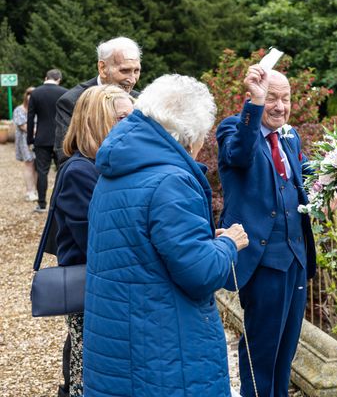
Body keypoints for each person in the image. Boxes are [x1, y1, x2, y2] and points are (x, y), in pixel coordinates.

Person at [83, 74, 248, 397]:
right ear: (189, 136)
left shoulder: (117, 169)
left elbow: (141, 246)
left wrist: (203, 242)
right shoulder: (171, 181)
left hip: (119, 339)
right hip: (165, 352)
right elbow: (201, 274)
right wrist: (229, 243)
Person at [216, 65, 316, 397]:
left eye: (285, 99)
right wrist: (255, 104)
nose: (280, 106)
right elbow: (240, 155)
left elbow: (303, 175)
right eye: (272, 98)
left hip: (296, 257)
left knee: (286, 352)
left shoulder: (290, 135)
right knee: (261, 351)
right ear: (255, 97)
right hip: (263, 260)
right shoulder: (235, 128)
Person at [46, 85, 134, 397]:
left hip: (113, 288)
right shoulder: (80, 171)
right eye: (122, 118)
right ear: (97, 121)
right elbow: (93, 240)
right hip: (93, 292)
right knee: (89, 376)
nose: (131, 124)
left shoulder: (110, 166)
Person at [54, 36, 141, 165]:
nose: (132, 79)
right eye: (125, 71)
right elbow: (65, 157)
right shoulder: (72, 101)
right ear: (102, 68)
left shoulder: (140, 101)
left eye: (136, 71)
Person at [27, 69, 67, 212]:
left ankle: (42, 204)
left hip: (41, 138)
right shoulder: (64, 92)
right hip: (61, 138)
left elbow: (30, 118)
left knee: (42, 172)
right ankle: (60, 204)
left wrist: (30, 139)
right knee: (62, 170)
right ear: (59, 79)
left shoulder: (35, 93)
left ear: (45, 78)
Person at [13, 86, 37, 201]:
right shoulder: (19, 110)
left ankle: (36, 190)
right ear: (25, 95)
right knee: (29, 163)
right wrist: (40, 130)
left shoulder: (38, 109)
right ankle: (29, 191)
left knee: (37, 165)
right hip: (24, 140)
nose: (30, 96)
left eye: (33, 93)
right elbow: (23, 126)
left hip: (38, 140)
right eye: (29, 93)